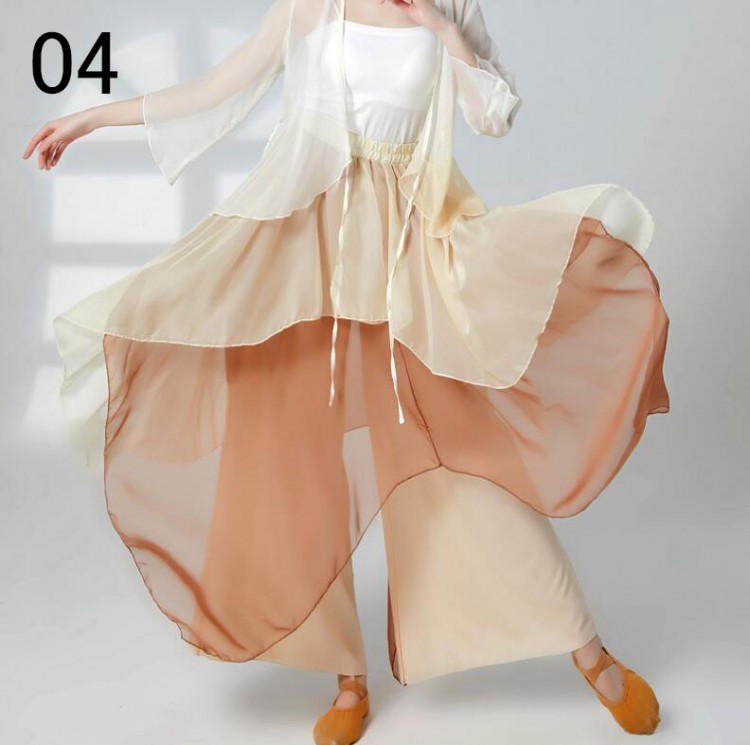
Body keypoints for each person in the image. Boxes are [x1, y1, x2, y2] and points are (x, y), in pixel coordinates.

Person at [23, 0, 669, 742]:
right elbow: (216, 88)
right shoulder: (309, 6)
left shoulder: (449, 6)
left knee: (465, 453)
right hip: (306, 262)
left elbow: (493, 112)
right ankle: (346, 678)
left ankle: (588, 651)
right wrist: (92, 118)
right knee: (297, 463)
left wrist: (444, 32)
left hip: (409, 261)